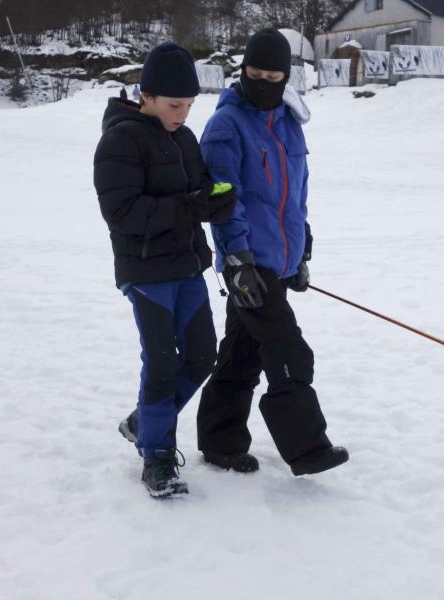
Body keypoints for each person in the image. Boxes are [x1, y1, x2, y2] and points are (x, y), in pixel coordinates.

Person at [196, 28, 348, 477]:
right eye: (253, 73)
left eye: (272, 75)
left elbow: (293, 195)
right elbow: (226, 199)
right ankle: (306, 448)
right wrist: (237, 260)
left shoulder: (287, 124)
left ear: (286, 78)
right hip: (249, 263)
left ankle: (221, 443)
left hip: (278, 262)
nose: (262, 82)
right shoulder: (226, 125)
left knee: (241, 355)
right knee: (288, 351)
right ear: (242, 71)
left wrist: (300, 247)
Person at [93, 42, 237, 498]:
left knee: (200, 356)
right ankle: (156, 457)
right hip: (146, 271)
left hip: (188, 265)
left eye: (191, 105)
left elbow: (196, 193)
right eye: (176, 105)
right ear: (147, 95)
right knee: (159, 363)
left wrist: (216, 200)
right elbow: (122, 212)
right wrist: (187, 206)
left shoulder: (184, 139)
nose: (183, 114)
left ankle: (143, 421)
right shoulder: (120, 139)